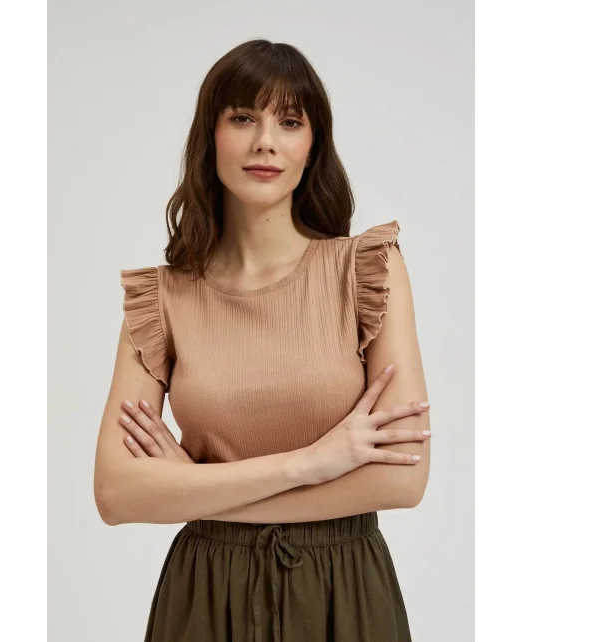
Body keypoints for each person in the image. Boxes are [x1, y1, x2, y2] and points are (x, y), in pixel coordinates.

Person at [94, 39, 431, 642]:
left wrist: (195, 492)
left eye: (290, 122)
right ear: (211, 137)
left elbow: (401, 480)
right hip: (205, 599)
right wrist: (310, 464)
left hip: (344, 593)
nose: (265, 142)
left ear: (313, 147)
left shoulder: (366, 270)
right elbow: (117, 494)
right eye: (243, 117)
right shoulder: (163, 299)